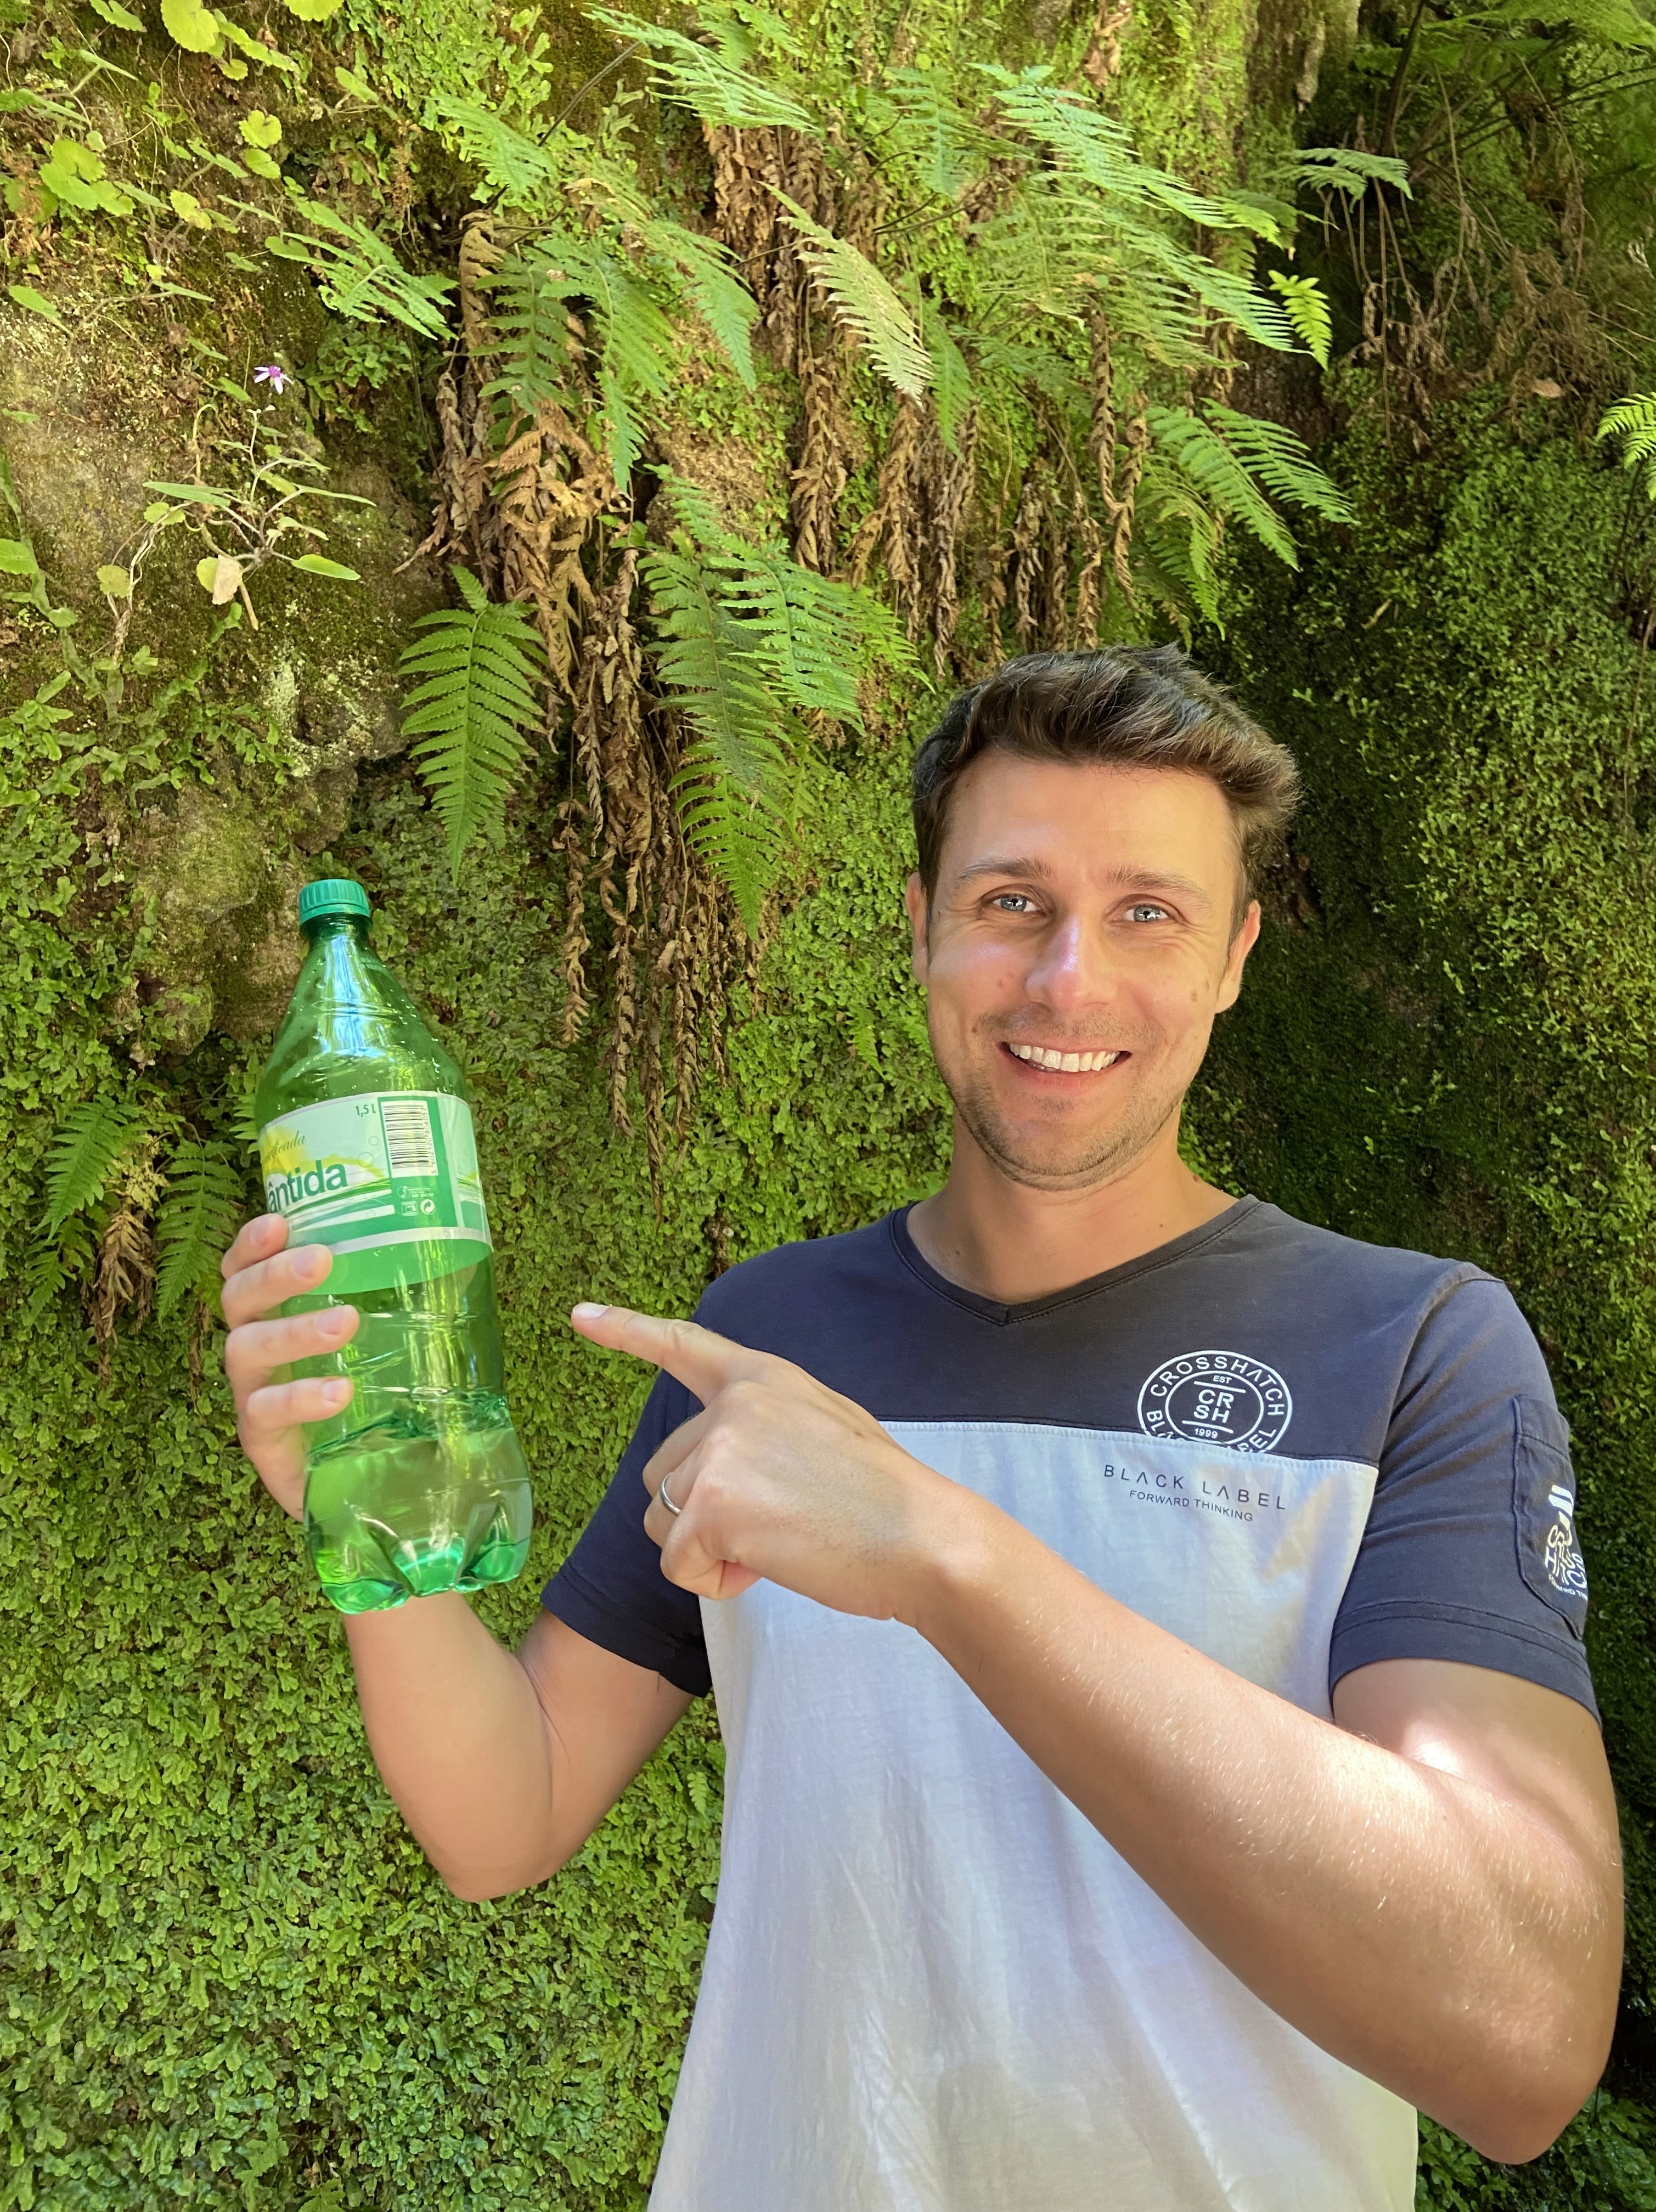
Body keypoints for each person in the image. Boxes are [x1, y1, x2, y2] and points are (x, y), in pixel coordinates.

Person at [222, 648, 1621, 2212]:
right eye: (1013, 901)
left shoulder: (1415, 1345)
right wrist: (360, 1502)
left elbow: (1522, 2041)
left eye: (1148, 913)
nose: (1068, 980)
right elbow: (508, 1815)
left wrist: (942, 1551)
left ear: (1233, 956)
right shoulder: (770, 1338)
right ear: (922, 928)